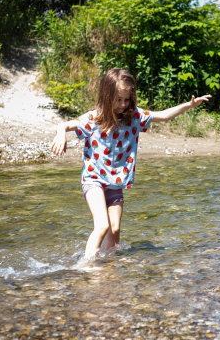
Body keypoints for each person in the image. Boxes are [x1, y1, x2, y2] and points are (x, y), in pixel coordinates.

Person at [50, 68, 211, 259]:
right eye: (118, 99)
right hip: (94, 179)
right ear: (107, 96)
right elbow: (65, 125)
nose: (123, 104)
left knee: (115, 229)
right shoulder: (95, 118)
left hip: (115, 183)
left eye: (127, 99)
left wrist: (189, 105)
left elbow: (164, 115)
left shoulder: (134, 117)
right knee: (102, 225)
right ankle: (87, 269)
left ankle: (109, 267)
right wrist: (61, 135)